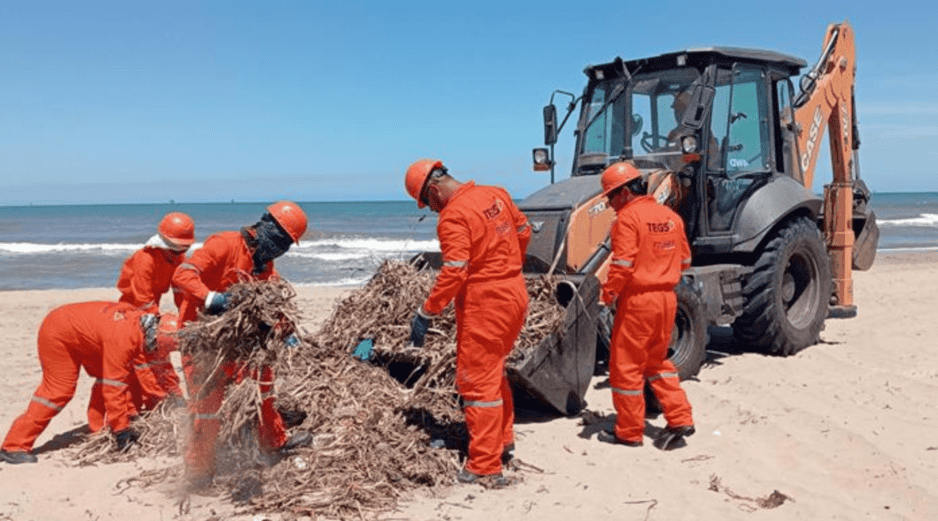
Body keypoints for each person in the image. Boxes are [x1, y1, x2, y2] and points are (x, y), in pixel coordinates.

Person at [404, 159, 531, 485]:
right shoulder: (495, 194)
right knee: (493, 372)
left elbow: (455, 271)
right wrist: (508, 264)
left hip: (486, 303)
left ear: (433, 189)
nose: (430, 210)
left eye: (426, 202)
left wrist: (427, 311)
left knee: (477, 384)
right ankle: (504, 443)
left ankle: (486, 466)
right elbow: (523, 230)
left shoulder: (453, 217)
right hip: (515, 294)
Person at [171, 201, 311, 487]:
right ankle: (198, 470)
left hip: (239, 344)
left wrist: (286, 329)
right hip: (202, 340)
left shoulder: (265, 266)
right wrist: (211, 298)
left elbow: (272, 302)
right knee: (207, 406)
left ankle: (274, 443)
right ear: (266, 228)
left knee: (262, 388)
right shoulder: (224, 244)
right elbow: (183, 274)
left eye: (287, 244)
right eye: (281, 240)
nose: (282, 249)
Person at [597, 161, 695, 450]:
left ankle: (628, 432)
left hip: (639, 301)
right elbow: (686, 260)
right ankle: (680, 417)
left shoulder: (627, 219)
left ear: (625, 192)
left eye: (611, 197)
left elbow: (623, 265)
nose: (610, 204)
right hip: (667, 298)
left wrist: (608, 295)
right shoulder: (669, 216)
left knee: (626, 367)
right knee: (658, 362)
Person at [0, 301, 169, 464]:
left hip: (86, 334)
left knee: (118, 374)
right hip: (59, 332)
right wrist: (122, 432)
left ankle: (98, 429)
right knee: (58, 391)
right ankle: (14, 446)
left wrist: (137, 410)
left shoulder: (143, 324)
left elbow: (146, 372)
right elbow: (114, 388)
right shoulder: (122, 340)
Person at [116, 212, 195, 398]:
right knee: (141, 359)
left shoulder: (178, 259)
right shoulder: (145, 259)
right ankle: (158, 399)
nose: (179, 253)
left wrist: (188, 319)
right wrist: (152, 324)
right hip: (131, 310)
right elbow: (143, 298)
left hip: (152, 307)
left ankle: (161, 398)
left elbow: (181, 293)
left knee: (155, 357)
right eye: (175, 249)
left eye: (183, 249)